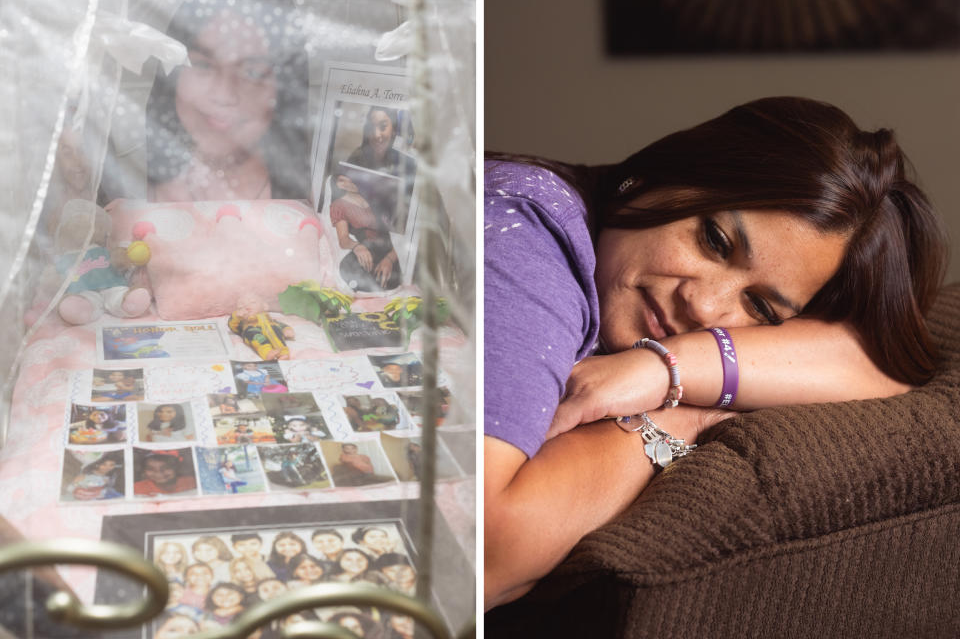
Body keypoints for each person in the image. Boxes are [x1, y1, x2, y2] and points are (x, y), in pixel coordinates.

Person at [483, 97, 948, 609]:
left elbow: (877, 365)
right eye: (714, 240)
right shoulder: (522, 232)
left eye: (761, 308)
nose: (704, 306)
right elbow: (479, 552)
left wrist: (669, 372)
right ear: (664, 172)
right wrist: (679, 421)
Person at [145, 0, 309, 201]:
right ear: (172, 75)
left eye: (252, 73)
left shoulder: (316, 199)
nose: (224, 95)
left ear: (284, 91)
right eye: (204, 66)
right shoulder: (124, 182)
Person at [329, 172, 401, 291]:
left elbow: (397, 239)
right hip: (365, 255)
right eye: (343, 180)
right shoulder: (339, 205)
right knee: (348, 270)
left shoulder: (376, 200)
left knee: (390, 282)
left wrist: (389, 259)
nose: (351, 182)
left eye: (354, 178)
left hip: (389, 256)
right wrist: (358, 247)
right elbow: (343, 240)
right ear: (339, 184)